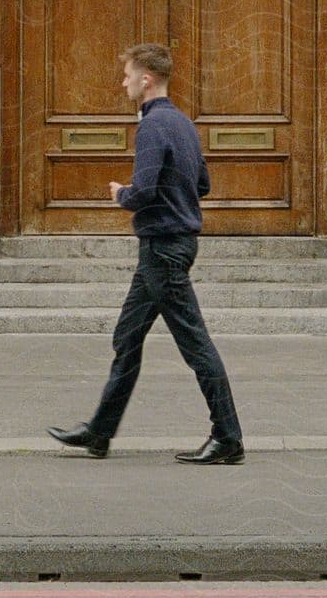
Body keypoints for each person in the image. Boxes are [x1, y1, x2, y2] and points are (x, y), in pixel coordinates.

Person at [47, 43, 244, 466]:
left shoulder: (153, 127)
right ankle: (99, 433)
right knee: (127, 336)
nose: (124, 82)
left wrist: (123, 194)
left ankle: (227, 437)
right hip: (168, 246)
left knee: (196, 345)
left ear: (146, 80)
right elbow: (202, 185)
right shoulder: (184, 124)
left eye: (127, 75)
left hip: (163, 248)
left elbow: (146, 192)